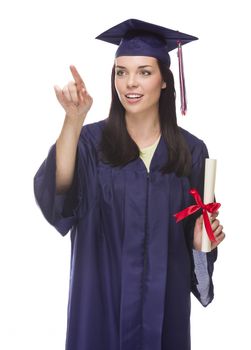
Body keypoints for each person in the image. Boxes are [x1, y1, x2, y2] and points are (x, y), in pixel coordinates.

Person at [34, 19, 225, 350]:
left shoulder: (191, 152)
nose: (130, 83)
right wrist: (73, 121)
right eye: (121, 72)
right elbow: (58, 195)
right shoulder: (89, 143)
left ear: (165, 80)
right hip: (98, 312)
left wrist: (200, 246)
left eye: (144, 72)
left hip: (163, 317)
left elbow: (198, 246)